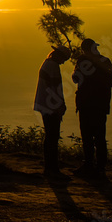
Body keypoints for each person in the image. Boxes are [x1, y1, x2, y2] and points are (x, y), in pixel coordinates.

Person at [71, 38, 112, 177]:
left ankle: (88, 165)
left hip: (86, 104)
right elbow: (110, 82)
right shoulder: (105, 61)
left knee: (87, 136)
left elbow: (75, 78)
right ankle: (100, 167)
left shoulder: (83, 62)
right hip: (100, 105)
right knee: (100, 137)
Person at [34, 45, 72, 179]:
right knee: (53, 136)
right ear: (59, 56)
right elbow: (56, 89)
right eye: (64, 59)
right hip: (51, 107)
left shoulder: (46, 63)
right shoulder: (53, 67)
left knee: (50, 136)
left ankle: (49, 168)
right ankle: (52, 169)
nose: (64, 62)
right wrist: (61, 105)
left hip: (44, 104)